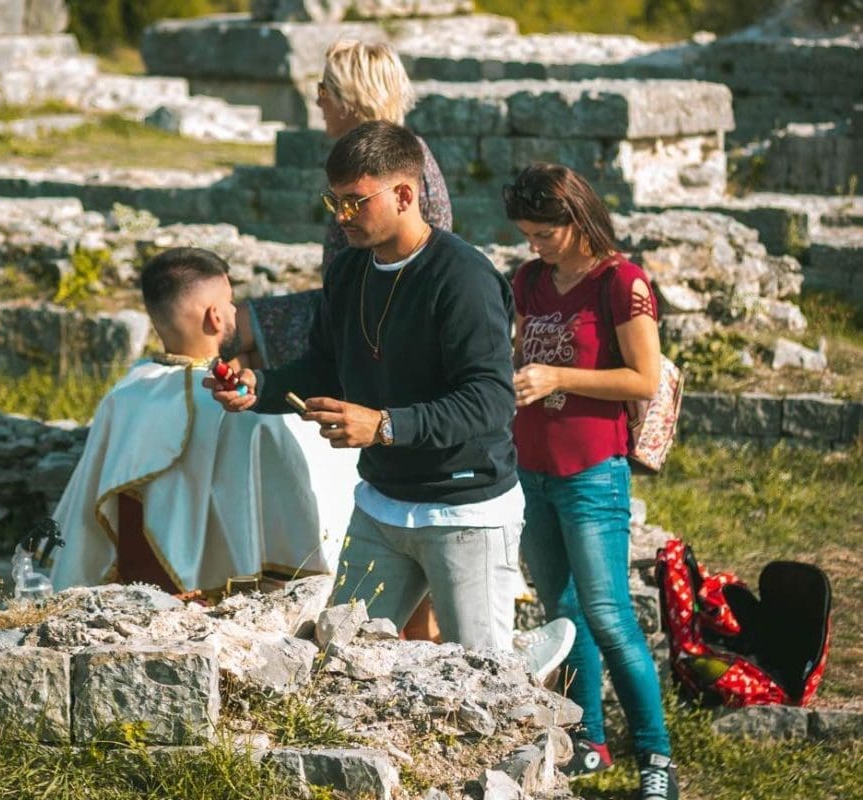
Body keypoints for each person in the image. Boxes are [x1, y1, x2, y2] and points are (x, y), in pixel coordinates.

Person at [210, 121, 573, 680]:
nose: (341, 216)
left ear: (405, 195)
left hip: (466, 510)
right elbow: (326, 368)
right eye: (334, 200)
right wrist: (260, 389)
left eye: (356, 201)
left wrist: (383, 425)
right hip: (382, 504)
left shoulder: (464, 279)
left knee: (485, 683)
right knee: (337, 668)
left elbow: (490, 403)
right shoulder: (350, 271)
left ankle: (524, 680)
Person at [504, 163, 678, 800]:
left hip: (591, 473)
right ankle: (591, 741)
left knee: (609, 616)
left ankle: (656, 757)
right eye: (527, 233)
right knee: (565, 616)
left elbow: (643, 379)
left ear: (578, 220)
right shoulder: (530, 280)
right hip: (533, 470)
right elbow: (529, 352)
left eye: (544, 233)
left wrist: (557, 378)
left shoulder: (622, 283)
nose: (534, 245)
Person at [48, 247, 358, 596]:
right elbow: (305, 500)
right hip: (228, 599)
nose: (233, 310)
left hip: (141, 590)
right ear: (214, 317)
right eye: (230, 302)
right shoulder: (247, 411)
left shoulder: (126, 394)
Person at [236, 39, 452, 371]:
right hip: (350, 303)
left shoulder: (389, 165)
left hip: (374, 318)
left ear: (349, 99)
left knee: (231, 330)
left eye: (324, 89)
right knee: (236, 347)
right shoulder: (373, 156)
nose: (318, 100)